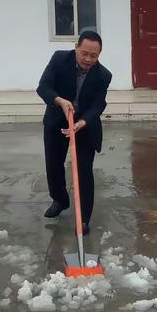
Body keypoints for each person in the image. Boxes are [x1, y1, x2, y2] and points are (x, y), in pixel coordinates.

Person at [37, 31, 112, 235]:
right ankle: (60, 200)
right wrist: (59, 101)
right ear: (76, 47)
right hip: (57, 120)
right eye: (84, 53)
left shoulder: (103, 76)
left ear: (99, 54)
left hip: (84, 127)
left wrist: (83, 122)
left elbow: (98, 104)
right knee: (53, 164)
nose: (88, 59)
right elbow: (43, 87)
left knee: (84, 171)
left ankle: (84, 218)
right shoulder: (59, 59)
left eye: (94, 56)